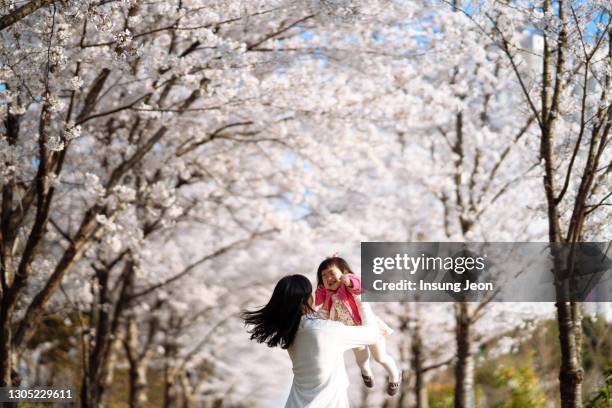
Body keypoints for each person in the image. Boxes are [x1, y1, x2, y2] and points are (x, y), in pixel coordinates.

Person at [242, 274, 384, 407]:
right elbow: (373, 333)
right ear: (307, 299)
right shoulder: (325, 330)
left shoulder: (292, 333)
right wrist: (358, 295)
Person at [314, 255, 401, 396]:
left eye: (332, 273)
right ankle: (366, 371)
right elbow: (320, 307)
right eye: (324, 275)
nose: (328, 277)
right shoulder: (328, 296)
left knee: (380, 357)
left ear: (343, 272)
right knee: (361, 359)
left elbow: (358, 285)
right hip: (352, 333)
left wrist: (348, 281)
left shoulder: (348, 287)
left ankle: (395, 377)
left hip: (370, 326)